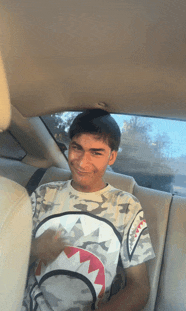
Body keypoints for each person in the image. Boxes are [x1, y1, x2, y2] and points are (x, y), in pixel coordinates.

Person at [22, 109, 155, 311]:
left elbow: (139, 287)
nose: (82, 162)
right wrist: (33, 249)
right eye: (77, 148)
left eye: (96, 153)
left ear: (112, 157)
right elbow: (4, 258)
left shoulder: (127, 206)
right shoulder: (43, 195)